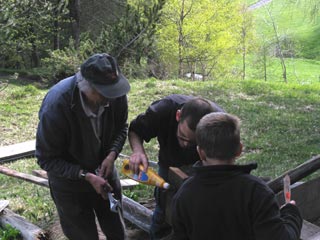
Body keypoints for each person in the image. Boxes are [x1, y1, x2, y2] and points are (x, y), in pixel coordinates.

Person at [36, 53, 130, 240]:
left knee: (117, 231)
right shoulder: (57, 105)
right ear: (87, 86)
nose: (111, 98)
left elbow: (122, 128)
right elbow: (46, 159)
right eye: (105, 93)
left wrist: (112, 155)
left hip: (105, 175)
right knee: (83, 235)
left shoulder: (114, 95)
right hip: (69, 185)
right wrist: (85, 176)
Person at [171, 112, 303, 240]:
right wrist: (291, 214)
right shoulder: (257, 192)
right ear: (239, 149)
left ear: (200, 152)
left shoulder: (184, 194)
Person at [128, 94, 224, 239]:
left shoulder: (218, 124)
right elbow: (135, 129)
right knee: (163, 207)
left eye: (193, 142)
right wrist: (138, 151)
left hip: (202, 166)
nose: (186, 145)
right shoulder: (162, 110)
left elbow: (223, 158)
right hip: (169, 162)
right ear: (178, 116)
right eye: (182, 137)